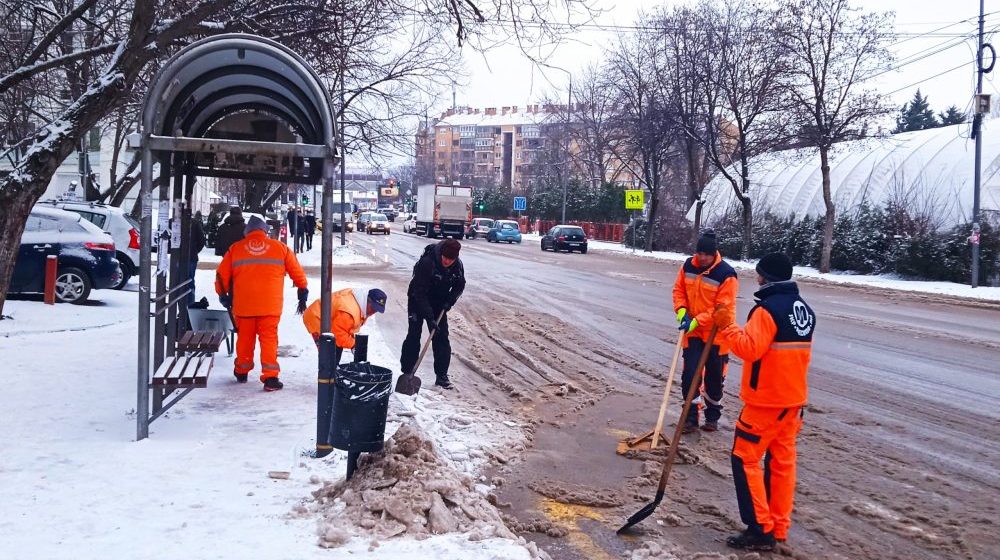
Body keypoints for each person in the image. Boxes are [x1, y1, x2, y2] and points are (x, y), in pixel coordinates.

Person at [712, 252, 816, 552]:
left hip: (766, 402)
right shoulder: (804, 310)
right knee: (781, 464)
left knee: (744, 458)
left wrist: (726, 326)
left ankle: (760, 529)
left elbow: (749, 349)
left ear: (764, 277)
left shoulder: (767, 310)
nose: (756, 277)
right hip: (792, 402)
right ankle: (778, 525)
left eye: (758, 273)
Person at [215, 215, 308, 392]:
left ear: (247, 232)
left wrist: (222, 294)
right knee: (269, 340)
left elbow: (221, 275)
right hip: (270, 306)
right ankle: (270, 377)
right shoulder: (280, 248)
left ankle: (241, 370)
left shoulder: (236, 249)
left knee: (244, 339)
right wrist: (302, 288)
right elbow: (296, 270)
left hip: (244, 306)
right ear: (265, 231)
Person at [672, 229, 738, 433]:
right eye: (699, 253)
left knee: (714, 378)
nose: (701, 257)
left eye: (706, 254)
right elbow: (679, 290)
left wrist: (696, 321)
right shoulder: (688, 266)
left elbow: (722, 308)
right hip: (693, 333)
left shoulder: (726, 274)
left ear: (714, 253)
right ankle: (690, 418)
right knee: (690, 374)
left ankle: (712, 416)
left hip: (716, 335)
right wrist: (682, 311)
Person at [400, 239, 465, 389]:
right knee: (414, 334)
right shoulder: (427, 263)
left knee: (441, 338)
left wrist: (449, 302)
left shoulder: (457, 266)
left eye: (451, 259)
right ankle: (407, 371)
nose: (447, 261)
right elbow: (419, 292)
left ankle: (442, 376)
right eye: (445, 258)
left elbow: (459, 286)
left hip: (439, 303)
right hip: (418, 299)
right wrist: (429, 317)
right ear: (441, 254)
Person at [303, 288, 387, 364]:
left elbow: (345, 328)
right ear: (367, 301)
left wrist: (353, 343)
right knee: (329, 353)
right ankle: (327, 378)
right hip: (317, 318)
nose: (373, 312)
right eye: (373, 308)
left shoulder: (359, 303)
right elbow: (338, 334)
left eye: (377, 310)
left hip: (330, 320)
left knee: (336, 348)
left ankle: (332, 374)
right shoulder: (349, 312)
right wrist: (353, 345)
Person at [187, 212, 206, 306]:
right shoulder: (195, 223)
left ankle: (181, 307)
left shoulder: (173, 222)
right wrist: (194, 250)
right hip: (191, 257)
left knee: (177, 282)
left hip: (178, 257)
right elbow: (202, 240)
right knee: (190, 281)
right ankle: (190, 305)